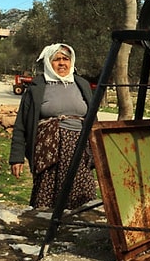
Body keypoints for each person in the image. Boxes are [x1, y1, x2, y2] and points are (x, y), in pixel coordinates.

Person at [9, 43, 96, 210]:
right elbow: (21, 124)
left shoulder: (82, 84)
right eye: (56, 59)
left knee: (81, 194)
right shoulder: (37, 87)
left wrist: (99, 150)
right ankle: (45, 229)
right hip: (48, 151)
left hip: (79, 149)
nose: (62, 63)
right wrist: (16, 157)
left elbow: (93, 119)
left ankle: (77, 231)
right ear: (49, 62)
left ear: (72, 61)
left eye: (65, 59)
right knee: (46, 197)